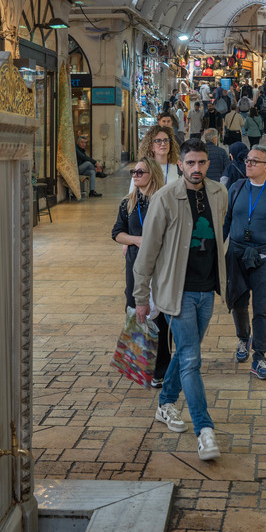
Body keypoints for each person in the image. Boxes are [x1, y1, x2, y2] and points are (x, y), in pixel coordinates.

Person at [133, 140, 229, 459]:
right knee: (191, 359)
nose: (197, 169)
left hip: (207, 289)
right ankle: (205, 430)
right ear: (181, 165)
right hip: (177, 291)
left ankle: (165, 403)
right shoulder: (164, 198)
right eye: (191, 163)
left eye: (202, 163)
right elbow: (147, 252)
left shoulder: (219, 194)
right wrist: (141, 296)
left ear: (207, 164)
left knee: (187, 352)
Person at [223, 145, 266, 381]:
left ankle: (259, 356)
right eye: (247, 160)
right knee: (238, 301)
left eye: (255, 161)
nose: (248, 164)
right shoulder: (236, 188)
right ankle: (243, 338)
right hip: (236, 255)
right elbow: (225, 222)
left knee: (261, 308)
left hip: (265, 257)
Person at [112, 156, 171, 389]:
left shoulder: (165, 201)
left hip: (162, 268)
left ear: (152, 174)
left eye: (140, 172)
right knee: (137, 311)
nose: (135, 176)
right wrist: (136, 240)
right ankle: (141, 363)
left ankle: (161, 369)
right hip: (136, 266)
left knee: (163, 319)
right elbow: (117, 233)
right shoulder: (128, 203)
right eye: (133, 173)